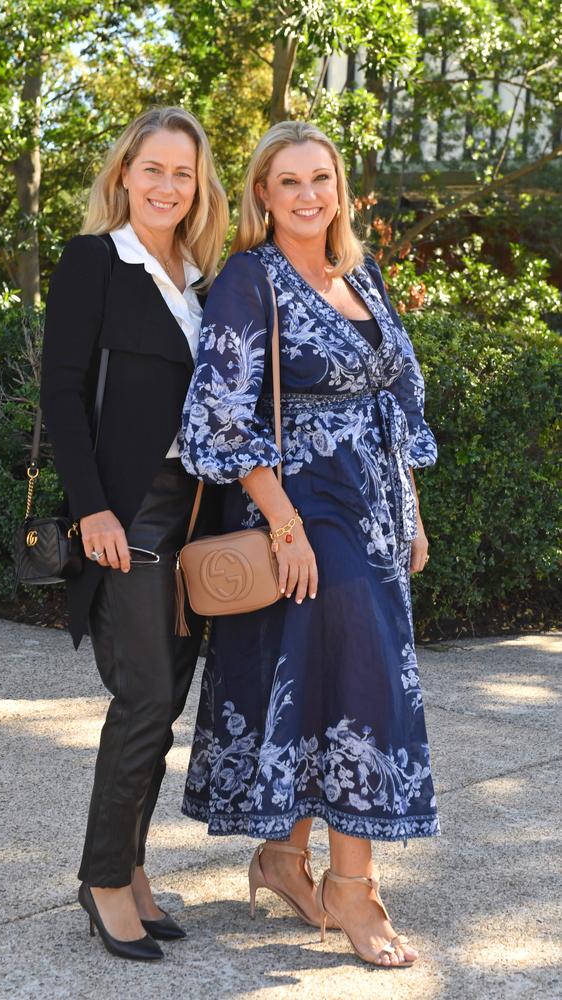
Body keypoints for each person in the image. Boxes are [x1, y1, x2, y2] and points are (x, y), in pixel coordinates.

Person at [179, 120, 439, 968]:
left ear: (340, 188)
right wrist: (283, 524)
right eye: (287, 181)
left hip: (370, 506)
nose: (306, 195)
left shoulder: (357, 273)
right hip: (294, 507)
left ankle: (282, 858)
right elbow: (219, 414)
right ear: (262, 193)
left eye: (320, 178)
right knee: (358, 677)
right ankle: (351, 890)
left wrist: (411, 506)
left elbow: (397, 401)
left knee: (321, 676)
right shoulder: (248, 280)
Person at [40, 106, 228, 960]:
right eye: (151, 168)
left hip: (194, 517)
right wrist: (93, 511)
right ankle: (104, 881)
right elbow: (62, 394)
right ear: (124, 175)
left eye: (182, 173)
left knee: (167, 703)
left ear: (198, 188)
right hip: (127, 513)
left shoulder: (197, 276)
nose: (165, 185)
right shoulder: (95, 262)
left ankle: (133, 868)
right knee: (146, 698)